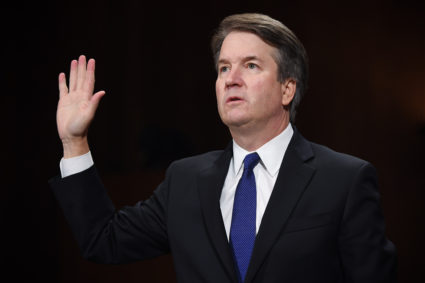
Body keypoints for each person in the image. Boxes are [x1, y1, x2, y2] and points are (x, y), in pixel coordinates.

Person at [50, 13, 397, 283]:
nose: (231, 78)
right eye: (223, 68)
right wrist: (73, 141)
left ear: (287, 89)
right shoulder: (185, 180)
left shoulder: (344, 180)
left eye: (251, 65)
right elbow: (103, 239)